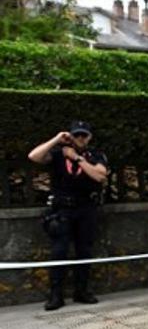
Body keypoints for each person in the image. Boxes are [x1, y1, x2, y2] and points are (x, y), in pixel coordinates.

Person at [27, 121, 109, 310]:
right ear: (71, 136)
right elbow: (34, 156)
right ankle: (56, 295)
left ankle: (82, 290)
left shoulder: (95, 155)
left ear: (89, 137)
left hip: (86, 208)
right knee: (59, 251)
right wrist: (57, 139)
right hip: (62, 209)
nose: (80, 138)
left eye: (84, 135)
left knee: (84, 250)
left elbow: (100, 176)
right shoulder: (58, 154)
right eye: (77, 135)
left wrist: (77, 158)